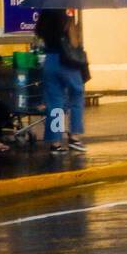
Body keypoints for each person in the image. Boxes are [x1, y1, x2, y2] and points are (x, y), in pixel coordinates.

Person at [35, 8, 88, 153]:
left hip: (49, 62)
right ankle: (74, 136)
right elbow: (74, 43)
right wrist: (75, 28)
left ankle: (55, 143)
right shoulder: (65, 18)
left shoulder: (43, 21)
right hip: (66, 62)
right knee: (77, 95)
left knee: (54, 104)